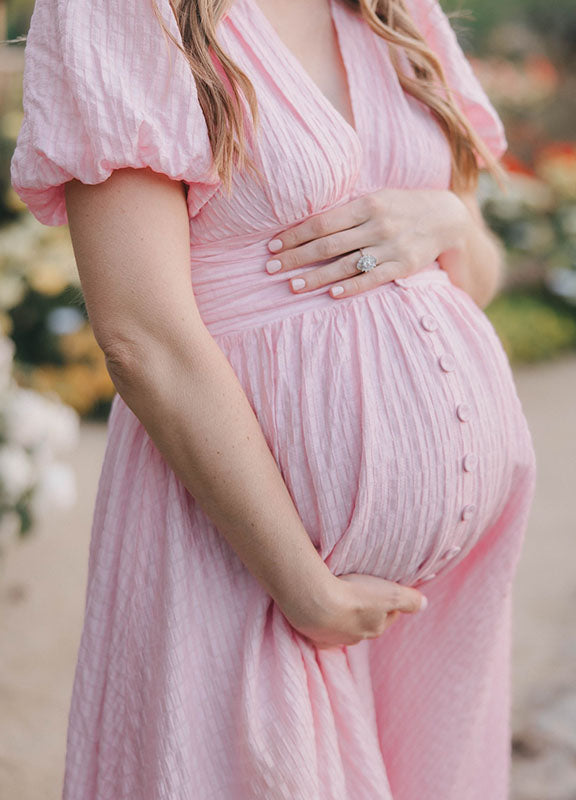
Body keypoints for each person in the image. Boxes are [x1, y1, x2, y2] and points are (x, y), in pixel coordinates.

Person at [10, 0, 537, 797]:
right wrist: (306, 589)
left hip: (437, 612)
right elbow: (142, 335)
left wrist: (447, 218)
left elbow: (479, 275)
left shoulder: (393, 9)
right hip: (253, 563)